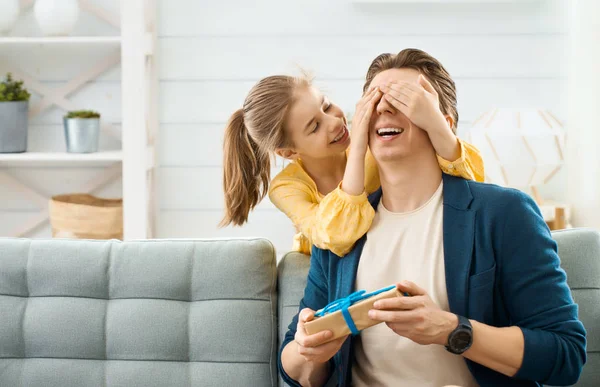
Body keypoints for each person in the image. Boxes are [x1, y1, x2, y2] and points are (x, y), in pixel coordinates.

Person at [278, 49, 586, 387]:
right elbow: (293, 367)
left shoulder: (503, 214)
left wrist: (452, 329)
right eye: (375, 100)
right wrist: (310, 352)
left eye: (406, 98)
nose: (384, 107)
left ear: (445, 123)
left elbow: (565, 355)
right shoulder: (340, 231)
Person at [221, 65, 484, 257]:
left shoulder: (375, 139)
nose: (335, 122)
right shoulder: (286, 187)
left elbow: (467, 179)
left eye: (326, 106)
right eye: (314, 127)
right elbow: (336, 235)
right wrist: (358, 148)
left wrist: (436, 123)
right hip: (334, 269)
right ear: (289, 152)